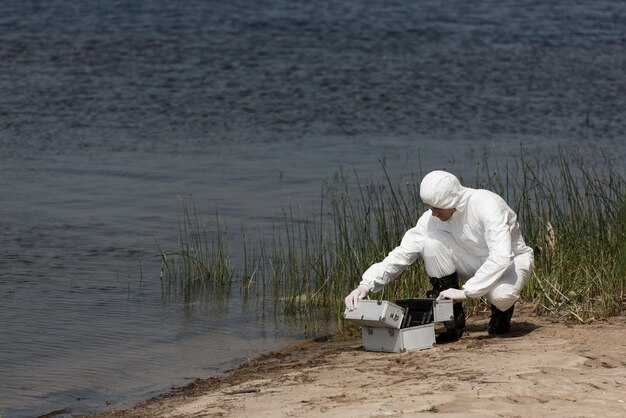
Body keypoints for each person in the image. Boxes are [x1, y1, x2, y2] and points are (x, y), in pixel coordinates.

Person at [344, 170, 534, 340]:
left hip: (512, 261)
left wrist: (466, 292)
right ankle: (453, 318)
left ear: (450, 202)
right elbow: (402, 253)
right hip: (473, 261)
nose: (432, 213)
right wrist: (366, 284)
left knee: (501, 296)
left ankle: (502, 311)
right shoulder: (433, 218)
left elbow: (501, 256)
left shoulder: (488, 204)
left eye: (435, 207)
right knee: (430, 242)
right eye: (429, 207)